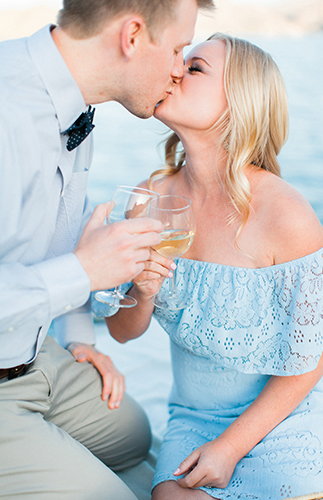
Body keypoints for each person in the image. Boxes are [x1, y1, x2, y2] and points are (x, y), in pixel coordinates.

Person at [0, 0, 215, 499]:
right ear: (132, 36)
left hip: (33, 358)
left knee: (135, 437)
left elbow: (66, 227)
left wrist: (80, 341)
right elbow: (78, 262)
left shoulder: (74, 108)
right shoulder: (7, 108)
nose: (180, 69)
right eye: (179, 49)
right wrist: (85, 270)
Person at [105, 33, 323, 499]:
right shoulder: (148, 200)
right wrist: (142, 294)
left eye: (196, 67)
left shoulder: (286, 215)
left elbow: (310, 360)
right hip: (194, 418)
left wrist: (230, 447)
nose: (175, 70)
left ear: (238, 101)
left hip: (284, 413)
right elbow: (123, 332)